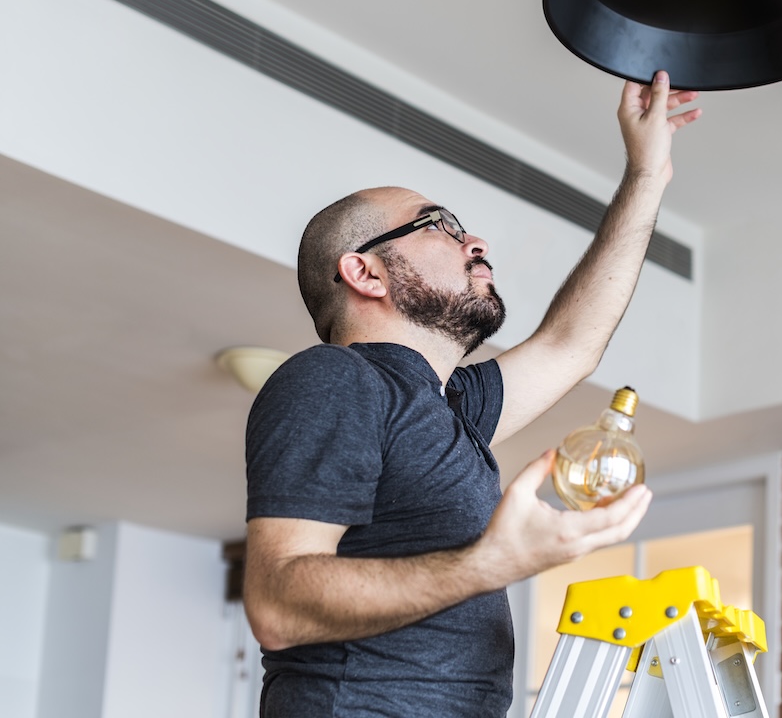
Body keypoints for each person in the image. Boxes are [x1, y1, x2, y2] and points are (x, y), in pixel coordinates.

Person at [242, 71, 701, 717]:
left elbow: (572, 342)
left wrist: (646, 174)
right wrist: (492, 563)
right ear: (365, 271)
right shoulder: (335, 379)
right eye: (439, 225)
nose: (476, 242)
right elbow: (277, 605)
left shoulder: (446, 406)